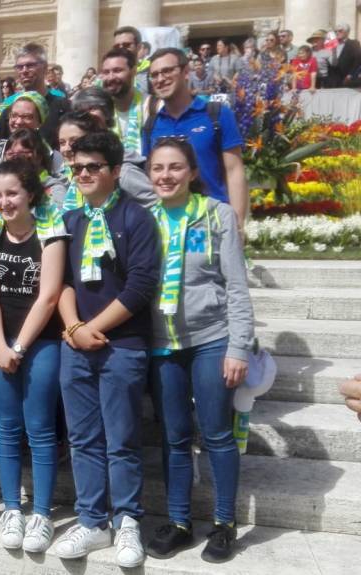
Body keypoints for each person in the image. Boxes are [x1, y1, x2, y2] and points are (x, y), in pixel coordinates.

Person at [141, 138, 254, 564]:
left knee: (217, 434)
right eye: (157, 168)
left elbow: (236, 286)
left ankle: (224, 524)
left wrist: (239, 347)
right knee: (174, 438)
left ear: (191, 171)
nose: (165, 176)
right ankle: (180, 522)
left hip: (211, 339)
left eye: (174, 168)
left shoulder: (217, 215)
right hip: (162, 345)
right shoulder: (143, 219)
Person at [51, 131, 159, 568]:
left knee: (122, 439)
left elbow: (141, 285)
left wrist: (89, 328)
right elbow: (59, 282)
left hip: (123, 346)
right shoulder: (71, 220)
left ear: (116, 171)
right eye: (77, 168)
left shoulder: (136, 218)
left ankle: (128, 520)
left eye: (93, 167)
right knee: (82, 438)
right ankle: (93, 520)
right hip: (75, 344)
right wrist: (74, 327)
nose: (83, 175)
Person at [0, 159, 66, 552]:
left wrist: (20, 347)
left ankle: (42, 513)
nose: (4, 202)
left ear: (30, 193)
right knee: (6, 428)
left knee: (41, 430)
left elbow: (48, 296)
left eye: (11, 193)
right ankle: (13, 507)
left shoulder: (51, 234)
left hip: (40, 343)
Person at [144, 48, 248, 234]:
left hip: (212, 220)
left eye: (167, 71)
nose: (160, 79)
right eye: (154, 75)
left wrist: (237, 225)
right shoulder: (152, 124)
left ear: (185, 72)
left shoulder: (216, 114)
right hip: (168, 224)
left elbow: (234, 170)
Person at [0, 43, 70, 148]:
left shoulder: (63, 107)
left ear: (45, 67)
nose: (24, 71)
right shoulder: (8, 112)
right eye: (20, 67)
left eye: (30, 65)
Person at [99, 47, 148, 157]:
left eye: (117, 71)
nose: (110, 77)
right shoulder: (100, 112)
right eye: (106, 72)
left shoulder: (151, 107)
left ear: (134, 71)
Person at [112, 26, 150, 94]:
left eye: (126, 45)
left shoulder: (151, 72)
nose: (121, 49)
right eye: (117, 46)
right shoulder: (107, 76)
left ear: (139, 47)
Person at [331, 23, 361, 87]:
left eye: (340, 31)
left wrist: (350, 74)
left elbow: (357, 60)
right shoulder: (333, 45)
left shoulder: (354, 43)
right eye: (335, 31)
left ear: (347, 32)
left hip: (348, 79)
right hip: (334, 81)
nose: (337, 33)